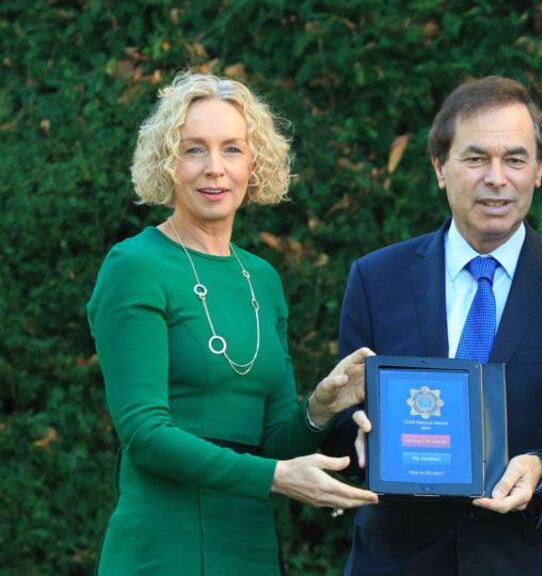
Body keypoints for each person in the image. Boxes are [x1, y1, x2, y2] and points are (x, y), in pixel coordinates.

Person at [322, 75, 542, 575]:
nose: (497, 177)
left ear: (539, 171)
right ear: (440, 167)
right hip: (396, 560)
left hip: (523, 558)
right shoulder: (377, 279)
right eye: (476, 157)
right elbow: (344, 418)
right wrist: (350, 433)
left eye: (515, 159)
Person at [87, 71, 379, 575]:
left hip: (250, 548)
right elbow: (144, 434)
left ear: (256, 162)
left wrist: (319, 407)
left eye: (232, 150)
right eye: (193, 149)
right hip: (164, 547)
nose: (214, 169)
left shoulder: (261, 278)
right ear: (167, 163)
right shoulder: (134, 266)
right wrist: (276, 476)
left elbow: (271, 440)